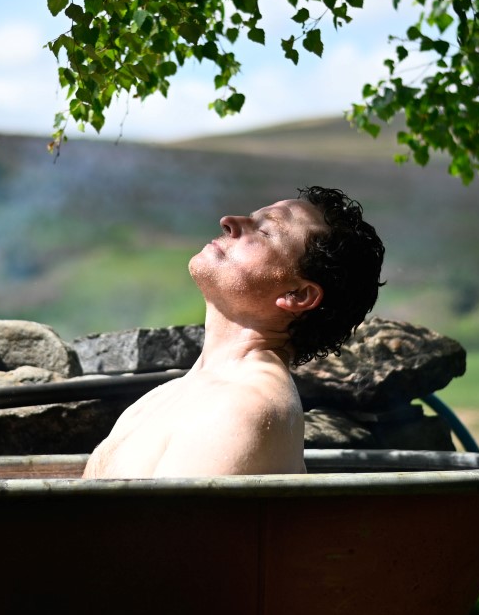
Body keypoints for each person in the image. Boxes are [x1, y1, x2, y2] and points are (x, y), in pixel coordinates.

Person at [82, 186, 385, 479]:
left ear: (298, 295)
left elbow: (168, 532)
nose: (229, 221)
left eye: (264, 232)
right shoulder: (168, 395)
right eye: (251, 217)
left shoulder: (246, 408)